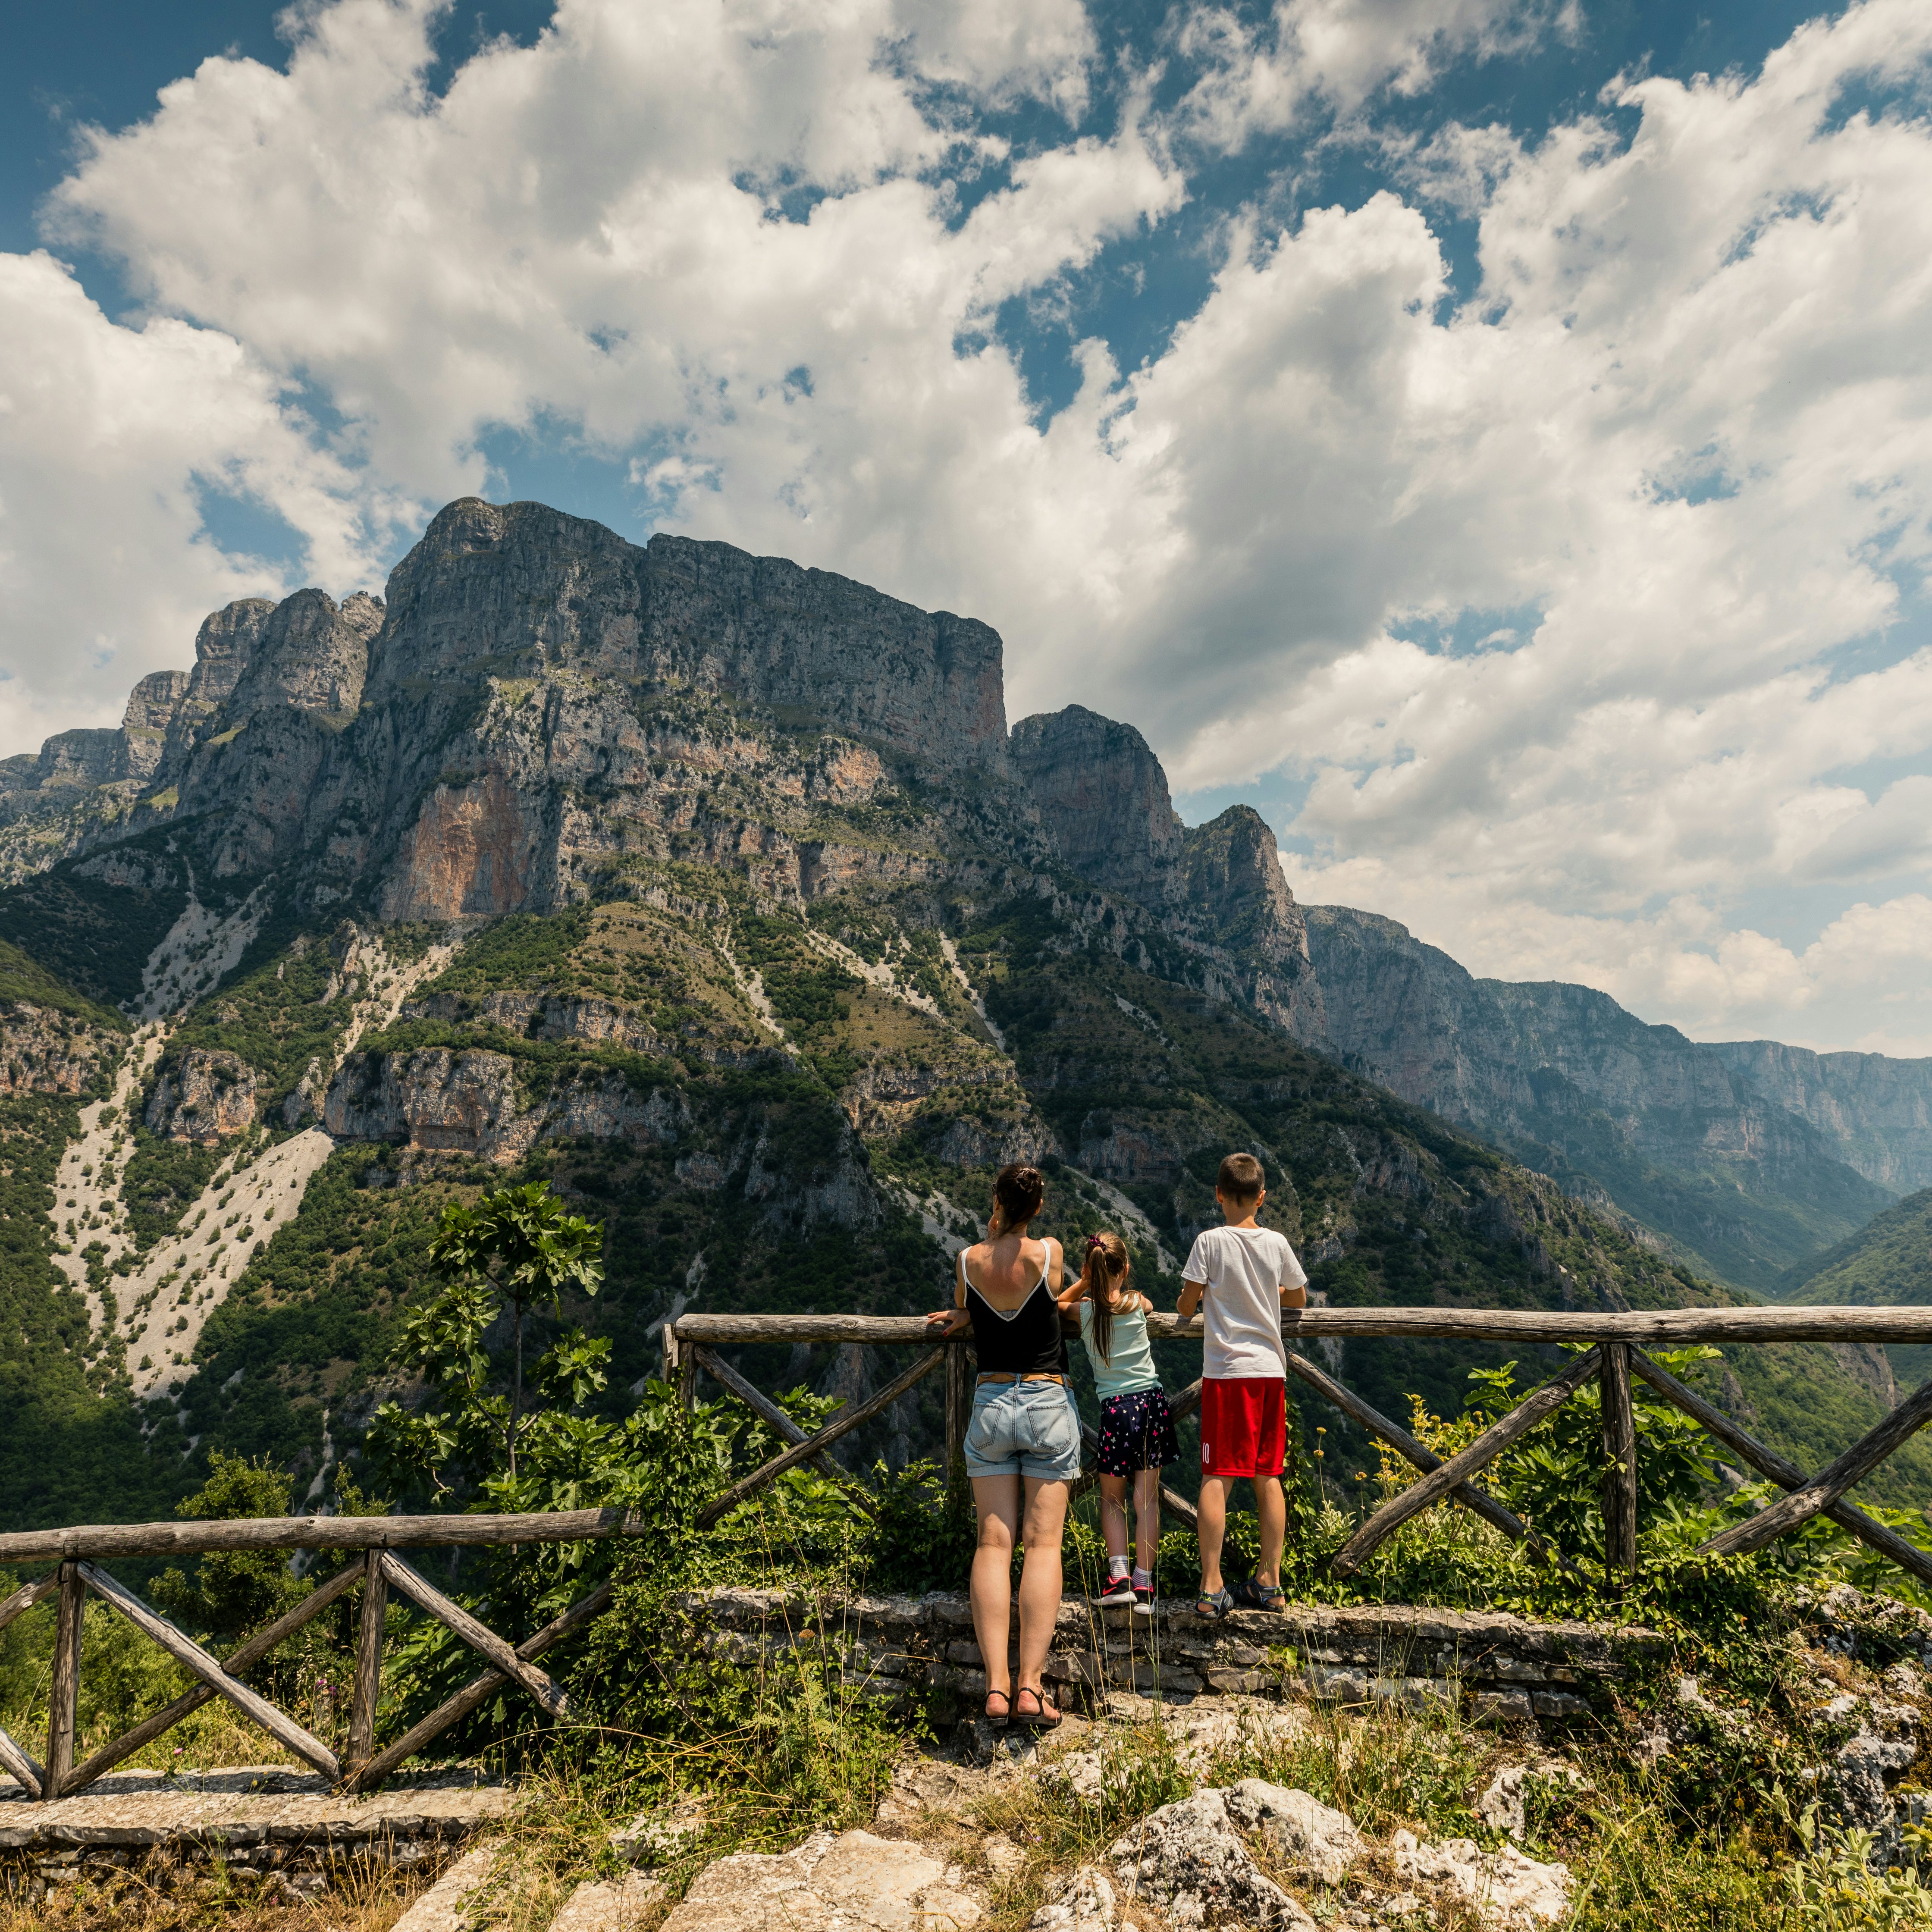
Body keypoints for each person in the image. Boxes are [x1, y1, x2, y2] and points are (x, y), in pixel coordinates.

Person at [926, 1163, 1079, 1728]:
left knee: (993, 1544)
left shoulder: (968, 1259)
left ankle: (995, 1687)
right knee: (1042, 1546)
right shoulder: (1049, 1253)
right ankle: (1032, 1689)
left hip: (992, 1403)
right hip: (1045, 1400)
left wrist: (967, 1309)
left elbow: (975, 1304)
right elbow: (1055, 1304)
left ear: (996, 1200)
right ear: (1037, 1206)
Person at [1176, 1152, 1308, 1617]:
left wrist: (1208, 1293)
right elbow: (1298, 1297)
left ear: (1218, 1194)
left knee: (1217, 1476)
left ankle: (1211, 1585)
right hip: (1270, 1372)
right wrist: (1262, 1295)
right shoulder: (1275, 1242)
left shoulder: (1208, 1242)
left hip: (1228, 1374)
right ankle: (1270, 1582)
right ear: (1262, 1197)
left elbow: (1187, 1305)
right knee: (1267, 1475)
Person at [1063, 1229, 1177, 1613]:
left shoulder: (1084, 1311)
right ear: (1126, 1269)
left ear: (1088, 1270)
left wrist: (1083, 1282)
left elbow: (1055, 1303)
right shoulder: (1136, 1303)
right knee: (1147, 1500)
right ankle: (1145, 1587)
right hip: (1152, 1405)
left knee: (1112, 1498)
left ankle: (1119, 1579)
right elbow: (1148, 1302)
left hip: (1117, 1411)